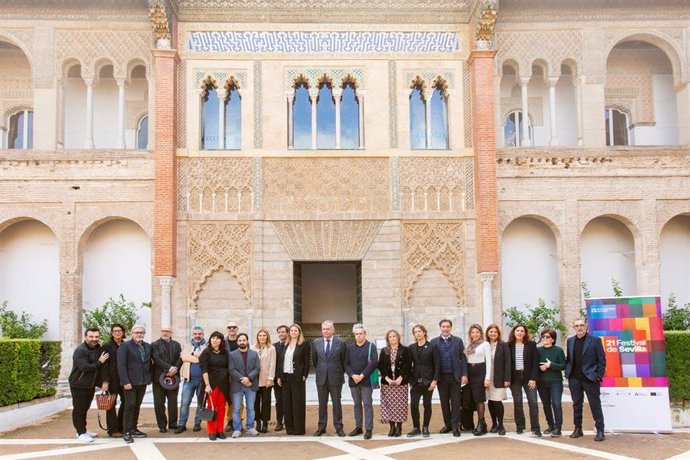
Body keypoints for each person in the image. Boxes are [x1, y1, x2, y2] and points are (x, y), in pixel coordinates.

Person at [565, 318, 606, 442]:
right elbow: (569, 359)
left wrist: (598, 375)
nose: (579, 327)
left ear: (586, 326)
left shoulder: (595, 341)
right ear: (574, 327)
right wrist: (568, 372)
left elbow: (602, 360)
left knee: (595, 405)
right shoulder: (570, 341)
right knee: (577, 405)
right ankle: (578, 428)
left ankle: (600, 430)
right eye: (576, 325)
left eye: (582, 325)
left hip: (590, 379)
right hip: (574, 379)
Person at [69, 327, 109, 442]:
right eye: (91, 337)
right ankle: (80, 432)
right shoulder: (80, 350)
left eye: (96, 337)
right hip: (78, 384)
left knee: (85, 408)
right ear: (86, 337)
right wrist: (99, 362)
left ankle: (83, 430)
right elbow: (85, 367)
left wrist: (103, 382)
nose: (94, 339)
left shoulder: (98, 349)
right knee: (79, 409)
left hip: (89, 385)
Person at [430, 319, 467, 437]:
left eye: (447, 326)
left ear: (451, 328)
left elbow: (463, 358)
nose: (445, 328)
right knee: (444, 402)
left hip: (455, 376)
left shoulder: (458, 341)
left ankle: (456, 426)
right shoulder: (434, 342)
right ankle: (448, 425)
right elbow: (431, 361)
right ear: (440, 327)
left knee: (456, 402)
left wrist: (464, 374)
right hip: (441, 377)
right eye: (443, 326)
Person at [118, 324, 152, 444]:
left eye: (141, 332)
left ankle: (133, 428)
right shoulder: (125, 346)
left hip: (142, 382)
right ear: (132, 333)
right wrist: (125, 381)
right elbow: (121, 366)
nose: (139, 334)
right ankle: (126, 431)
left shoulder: (147, 346)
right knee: (130, 405)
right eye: (137, 332)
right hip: (130, 382)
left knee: (137, 404)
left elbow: (148, 363)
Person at [311, 319, 346, 437]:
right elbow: (315, 361)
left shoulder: (341, 343)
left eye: (328, 329)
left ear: (333, 330)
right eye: (324, 329)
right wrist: (322, 370)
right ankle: (321, 427)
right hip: (321, 378)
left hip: (336, 378)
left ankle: (339, 427)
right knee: (322, 404)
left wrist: (337, 372)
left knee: (337, 404)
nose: (325, 331)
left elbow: (343, 361)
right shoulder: (316, 343)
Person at [344, 323, 378, 439]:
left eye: (361, 334)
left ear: (365, 334)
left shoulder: (371, 346)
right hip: (353, 381)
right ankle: (358, 427)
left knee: (367, 404)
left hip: (366, 381)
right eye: (356, 334)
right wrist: (353, 375)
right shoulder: (349, 348)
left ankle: (368, 429)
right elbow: (346, 363)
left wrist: (362, 375)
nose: (358, 336)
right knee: (357, 404)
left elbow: (374, 363)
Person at [276, 323, 310, 435]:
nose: (294, 332)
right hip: (286, 378)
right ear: (289, 333)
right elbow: (281, 362)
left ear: (299, 332)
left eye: (296, 330)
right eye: (292, 330)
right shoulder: (285, 344)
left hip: (298, 378)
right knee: (287, 403)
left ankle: (298, 429)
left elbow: (307, 361)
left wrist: (305, 374)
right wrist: (280, 376)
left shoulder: (304, 344)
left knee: (298, 403)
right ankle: (289, 428)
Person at [508, 324, 541, 437]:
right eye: (517, 330)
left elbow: (535, 362)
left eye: (522, 331)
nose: (520, 332)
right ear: (514, 332)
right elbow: (507, 363)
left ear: (525, 333)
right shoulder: (509, 345)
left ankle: (536, 428)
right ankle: (520, 427)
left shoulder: (531, 345)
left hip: (528, 377)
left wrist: (533, 378)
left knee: (533, 403)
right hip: (515, 378)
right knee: (518, 403)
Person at [407, 324, 439, 438]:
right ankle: (416, 427)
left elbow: (437, 365)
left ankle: (425, 427)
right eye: (415, 332)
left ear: (424, 332)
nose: (418, 334)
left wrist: (434, 380)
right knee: (414, 405)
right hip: (415, 382)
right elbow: (408, 366)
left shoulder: (432, 347)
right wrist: (411, 381)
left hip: (428, 382)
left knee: (427, 405)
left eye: (420, 331)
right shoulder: (411, 347)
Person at [378, 329, 410, 437]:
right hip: (387, 383)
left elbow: (407, 365)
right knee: (388, 406)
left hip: (400, 383)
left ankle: (399, 427)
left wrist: (401, 377)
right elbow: (381, 366)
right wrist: (386, 378)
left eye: (394, 336)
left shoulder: (405, 350)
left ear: (398, 338)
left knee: (400, 406)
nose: (392, 338)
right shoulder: (384, 351)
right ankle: (391, 427)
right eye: (390, 337)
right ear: (388, 339)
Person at [200, 331, 231, 441]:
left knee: (222, 407)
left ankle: (219, 430)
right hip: (211, 383)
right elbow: (204, 370)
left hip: (223, 383)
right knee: (211, 407)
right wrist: (207, 385)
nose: (215, 340)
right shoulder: (206, 352)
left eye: (218, 338)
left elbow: (229, 367)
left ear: (221, 341)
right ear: (210, 339)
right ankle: (212, 431)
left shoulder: (225, 352)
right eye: (213, 338)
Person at [175, 326, 207, 434]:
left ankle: (197, 423)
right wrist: (197, 358)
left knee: (200, 403)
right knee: (185, 403)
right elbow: (184, 357)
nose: (197, 336)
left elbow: (205, 359)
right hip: (189, 379)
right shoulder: (187, 345)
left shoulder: (207, 346)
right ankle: (182, 424)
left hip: (202, 380)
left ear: (203, 334)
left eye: (199, 334)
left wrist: (192, 356)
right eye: (195, 334)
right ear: (192, 334)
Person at [229, 332, 261, 438]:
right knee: (236, 408)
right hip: (237, 385)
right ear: (237, 342)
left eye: (244, 340)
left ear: (247, 341)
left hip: (251, 384)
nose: (242, 342)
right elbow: (232, 369)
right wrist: (242, 379)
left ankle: (250, 427)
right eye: (240, 340)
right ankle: (237, 428)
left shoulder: (254, 354)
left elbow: (257, 368)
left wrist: (249, 378)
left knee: (251, 408)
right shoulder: (232, 354)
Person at [151, 326, 182, 433]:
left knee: (173, 402)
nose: (165, 333)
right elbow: (156, 358)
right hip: (159, 378)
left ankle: (173, 424)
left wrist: (175, 368)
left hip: (173, 378)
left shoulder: (177, 345)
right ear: (160, 332)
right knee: (159, 403)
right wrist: (169, 368)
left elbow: (180, 358)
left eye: (167, 331)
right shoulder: (154, 345)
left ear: (171, 332)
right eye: (163, 331)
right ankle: (162, 425)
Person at [537, 328, 566, 437]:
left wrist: (551, 365)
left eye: (547, 337)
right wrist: (541, 368)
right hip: (542, 382)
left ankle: (558, 428)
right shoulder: (538, 350)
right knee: (546, 404)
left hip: (555, 382)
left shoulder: (558, 350)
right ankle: (551, 425)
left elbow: (563, 365)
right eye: (543, 336)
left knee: (556, 404)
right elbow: (535, 364)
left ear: (553, 339)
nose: (544, 338)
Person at [464, 324, 492, 436]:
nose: (474, 334)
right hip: (469, 372)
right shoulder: (468, 345)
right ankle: (470, 424)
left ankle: (481, 423)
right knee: (468, 399)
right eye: (472, 332)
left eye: (477, 332)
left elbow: (489, 362)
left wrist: (487, 378)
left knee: (479, 399)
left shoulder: (485, 344)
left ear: (481, 333)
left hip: (480, 371)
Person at [485, 323, 511, 436]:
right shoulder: (484, 344)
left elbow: (508, 362)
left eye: (495, 332)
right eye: (491, 331)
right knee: (490, 401)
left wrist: (507, 378)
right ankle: (494, 424)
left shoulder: (503, 345)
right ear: (487, 333)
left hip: (499, 378)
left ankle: (501, 424)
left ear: (498, 333)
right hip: (486, 378)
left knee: (497, 401)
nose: (493, 333)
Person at [101, 324, 126, 437]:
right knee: (111, 404)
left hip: (124, 379)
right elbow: (104, 365)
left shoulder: (126, 345)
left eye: (119, 330)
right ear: (111, 333)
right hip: (112, 380)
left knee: (126, 402)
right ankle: (112, 429)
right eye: (115, 331)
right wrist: (105, 381)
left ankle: (121, 426)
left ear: (123, 332)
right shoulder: (107, 346)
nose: (117, 333)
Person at [252, 328, 276, 433]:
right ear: (257, 337)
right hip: (255, 379)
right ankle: (257, 422)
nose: (262, 337)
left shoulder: (271, 348)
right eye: (260, 335)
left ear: (267, 337)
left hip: (266, 379)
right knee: (255, 402)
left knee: (266, 402)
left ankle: (265, 423)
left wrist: (270, 378)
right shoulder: (252, 348)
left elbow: (272, 364)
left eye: (264, 335)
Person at [224, 320, 240, 432]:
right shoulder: (223, 342)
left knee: (239, 398)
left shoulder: (242, 341)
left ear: (237, 329)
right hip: (226, 375)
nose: (232, 329)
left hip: (239, 375)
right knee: (228, 399)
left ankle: (238, 420)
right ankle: (230, 421)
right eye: (229, 327)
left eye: (234, 327)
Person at [273, 324, 288, 431]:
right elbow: (275, 363)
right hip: (277, 378)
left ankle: (288, 421)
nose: (281, 334)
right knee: (279, 400)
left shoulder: (291, 345)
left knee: (288, 400)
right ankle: (279, 421)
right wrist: (278, 377)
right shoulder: (274, 346)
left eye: (283, 332)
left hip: (288, 378)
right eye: (279, 332)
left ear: (287, 333)